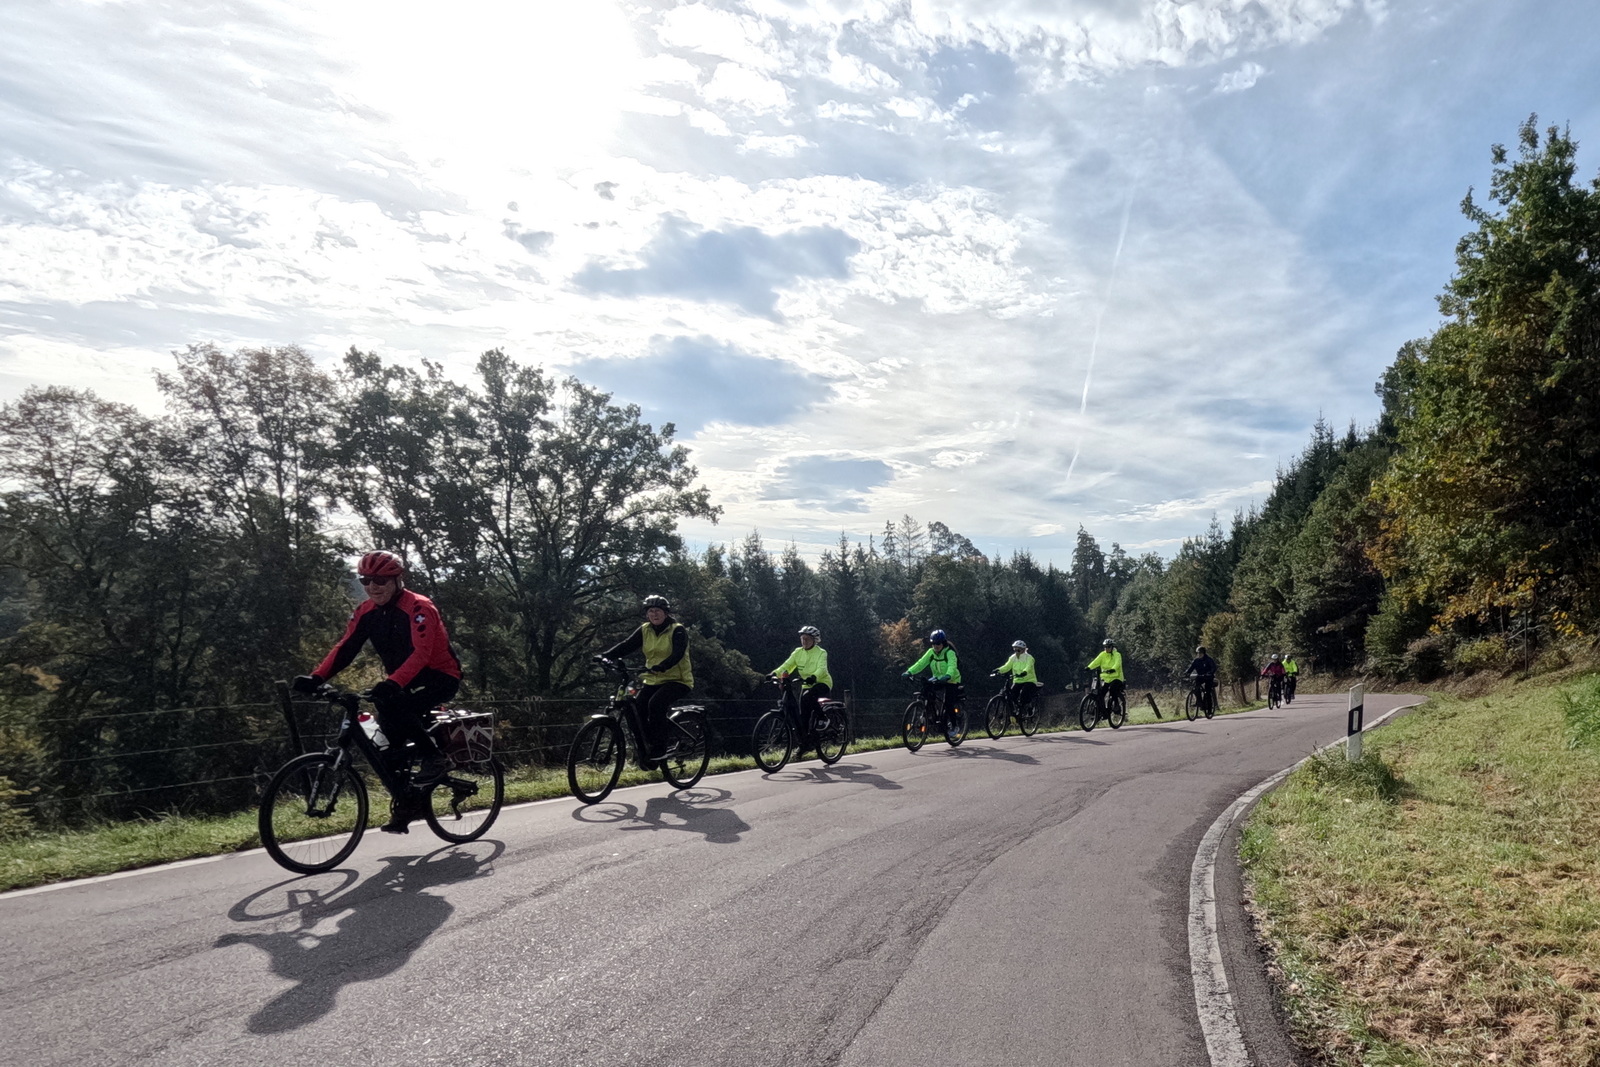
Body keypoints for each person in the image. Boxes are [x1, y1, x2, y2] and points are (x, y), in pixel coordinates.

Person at [293, 550, 462, 833]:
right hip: (402, 680)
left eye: (381, 580)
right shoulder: (366, 612)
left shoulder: (420, 608)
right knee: (389, 745)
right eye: (366, 580)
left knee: (400, 707)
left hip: (440, 676)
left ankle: (435, 758)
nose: (373, 586)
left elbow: (422, 654)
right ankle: (408, 802)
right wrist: (317, 677)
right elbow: (345, 648)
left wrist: (394, 683)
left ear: (397, 579)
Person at [599, 595, 694, 764]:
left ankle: (660, 748)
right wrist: (605, 656)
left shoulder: (677, 630)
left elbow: (678, 654)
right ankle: (646, 746)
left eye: (658, 611)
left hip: (678, 680)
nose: (654, 614)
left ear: (666, 613)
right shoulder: (645, 629)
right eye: (651, 611)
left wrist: (663, 665)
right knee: (636, 708)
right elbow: (627, 645)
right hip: (652, 679)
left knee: (656, 705)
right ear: (646, 614)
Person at [771, 625, 833, 734]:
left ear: (814, 640)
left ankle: (823, 718)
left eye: (807, 639)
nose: (804, 641)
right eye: (802, 639)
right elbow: (787, 666)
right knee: (803, 715)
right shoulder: (797, 652)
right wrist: (774, 673)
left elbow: (822, 669)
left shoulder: (821, 652)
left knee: (808, 697)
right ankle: (805, 743)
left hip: (822, 682)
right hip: (806, 684)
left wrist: (814, 677)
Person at [903, 629, 963, 733]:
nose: (935, 646)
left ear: (943, 642)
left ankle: (954, 726)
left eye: (938, 643)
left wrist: (948, 676)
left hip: (951, 679)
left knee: (949, 703)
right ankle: (931, 713)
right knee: (926, 690)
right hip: (937, 678)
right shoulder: (931, 652)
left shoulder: (949, 653)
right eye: (933, 644)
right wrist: (909, 672)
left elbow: (952, 666)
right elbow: (921, 663)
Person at [993, 639, 1041, 716]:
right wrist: (998, 670)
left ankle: (1028, 706)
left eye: (1018, 649)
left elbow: (1028, 667)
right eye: (1014, 648)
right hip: (1018, 680)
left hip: (1029, 680)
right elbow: (1007, 666)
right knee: (1012, 696)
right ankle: (1016, 711)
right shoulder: (1013, 657)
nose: (1016, 650)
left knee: (1023, 695)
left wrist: (1024, 672)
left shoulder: (1029, 658)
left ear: (1023, 649)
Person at [1085, 638, 1125, 709]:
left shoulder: (1117, 655)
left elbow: (1117, 663)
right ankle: (1102, 712)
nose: (1106, 648)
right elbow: (1096, 661)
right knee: (1100, 694)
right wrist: (1089, 667)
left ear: (1112, 647)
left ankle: (1116, 704)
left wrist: (1113, 669)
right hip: (1106, 679)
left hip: (1117, 678)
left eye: (1108, 647)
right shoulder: (1102, 654)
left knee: (1112, 689)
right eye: (1105, 647)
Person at [1185, 644, 1218, 712]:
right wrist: (1186, 673)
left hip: (1208, 677)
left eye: (1200, 653)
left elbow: (1214, 668)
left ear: (1203, 653)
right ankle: (1199, 702)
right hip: (1200, 677)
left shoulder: (1209, 660)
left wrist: (1209, 673)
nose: (1199, 654)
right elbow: (1191, 668)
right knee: (1196, 688)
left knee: (1207, 692)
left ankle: (1209, 709)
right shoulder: (1196, 661)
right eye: (1198, 653)